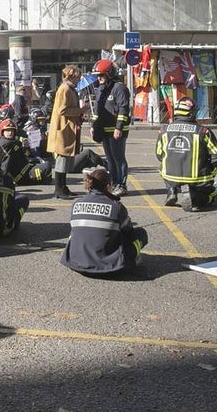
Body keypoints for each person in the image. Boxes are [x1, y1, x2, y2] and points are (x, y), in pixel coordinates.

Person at [60, 166, 147, 278]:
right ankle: (131, 259)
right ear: (108, 186)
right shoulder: (116, 207)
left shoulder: (76, 204)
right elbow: (128, 231)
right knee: (141, 234)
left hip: (75, 262)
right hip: (109, 267)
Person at [156, 98, 217, 211]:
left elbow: (159, 155)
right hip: (197, 179)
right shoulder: (202, 131)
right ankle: (193, 197)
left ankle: (172, 191)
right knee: (211, 196)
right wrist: (211, 174)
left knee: (165, 170)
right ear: (191, 113)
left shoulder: (164, 130)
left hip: (170, 177)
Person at [90, 59, 131, 197]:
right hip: (104, 130)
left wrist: (119, 127)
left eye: (101, 75)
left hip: (116, 131)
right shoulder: (101, 89)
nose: (99, 78)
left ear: (109, 74)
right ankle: (113, 182)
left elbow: (123, 109)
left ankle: (122, 185)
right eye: (98, 75)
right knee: (110, 159)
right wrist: (93, 125)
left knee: (119, 159)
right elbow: (97, 110)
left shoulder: (119, 88)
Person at [46, 65, 83, 200]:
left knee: (65, 160)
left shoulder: (68, 89)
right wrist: (80, 111)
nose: (79, 80)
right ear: (71, 76)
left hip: (67, 128)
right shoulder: (65, 89)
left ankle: (63, 187)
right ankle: (59, 188)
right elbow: (63, 110)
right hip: (63, 129)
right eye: (77, 77)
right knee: (62, 160)